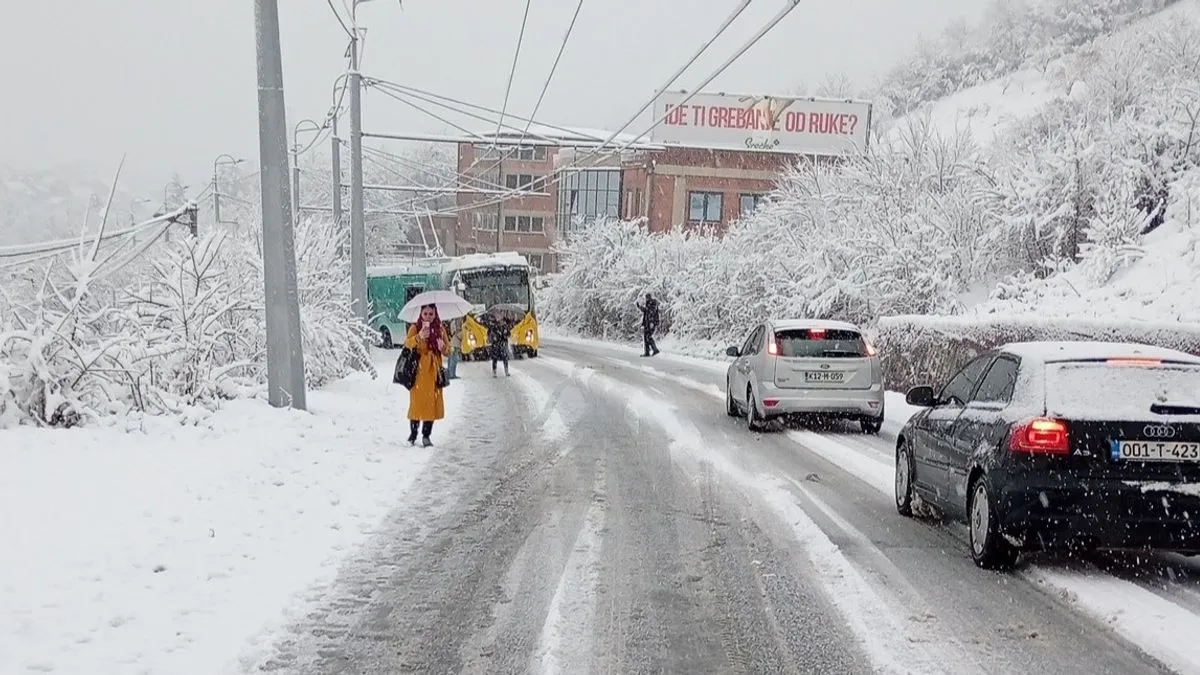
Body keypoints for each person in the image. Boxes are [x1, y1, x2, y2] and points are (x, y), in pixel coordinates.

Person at [404, 304, 449, 446]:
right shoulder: (415, 327)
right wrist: (419, 337)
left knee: (431, 404)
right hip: (418, 372)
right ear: (421, 314)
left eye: (431, 314)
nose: (428, 317)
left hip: (434, 371)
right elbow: (407, 344)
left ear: (435, 314)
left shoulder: (440, 329)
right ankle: (413, 433)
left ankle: (426, 435)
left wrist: (443, 348)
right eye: (425, 314)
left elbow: (448, 350)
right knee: (417, 404)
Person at [481, 312, 512, 377]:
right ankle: (494, 372)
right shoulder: (493, 326)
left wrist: (506, 334)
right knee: (495, 358)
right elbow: (489, 333)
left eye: (501, 318)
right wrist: (493, 337)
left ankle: (506, 371)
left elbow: (509, 334)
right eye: (499, 317)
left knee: (505, 358)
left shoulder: (505, 326)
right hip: (496, 344)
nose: (500, 320)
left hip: (503, 344)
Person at [636, 292, 661, 357]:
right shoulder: (648, 304)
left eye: (647, 298)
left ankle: (655, 349)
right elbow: (646, 311)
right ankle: (647, 352)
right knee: (645, 337)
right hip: (647, 323)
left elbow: (651, 313)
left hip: (651, 323)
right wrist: (640, 307)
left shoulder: (653, 303)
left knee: (648, 337)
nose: (646, 299)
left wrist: (652, 322)